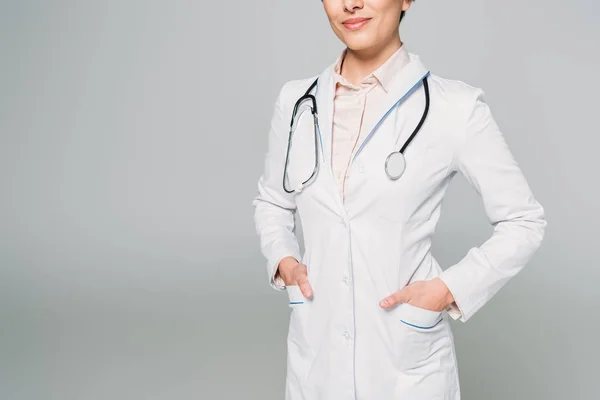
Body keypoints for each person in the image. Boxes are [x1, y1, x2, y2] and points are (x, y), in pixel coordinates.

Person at [252, 0, 547, 399]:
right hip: (316, 358)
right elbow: (273, 201)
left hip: (405, 363)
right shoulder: (296, 102)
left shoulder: (453, 107)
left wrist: (448, 289)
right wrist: (284, 260)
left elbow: (524, 221)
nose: (350, 3)